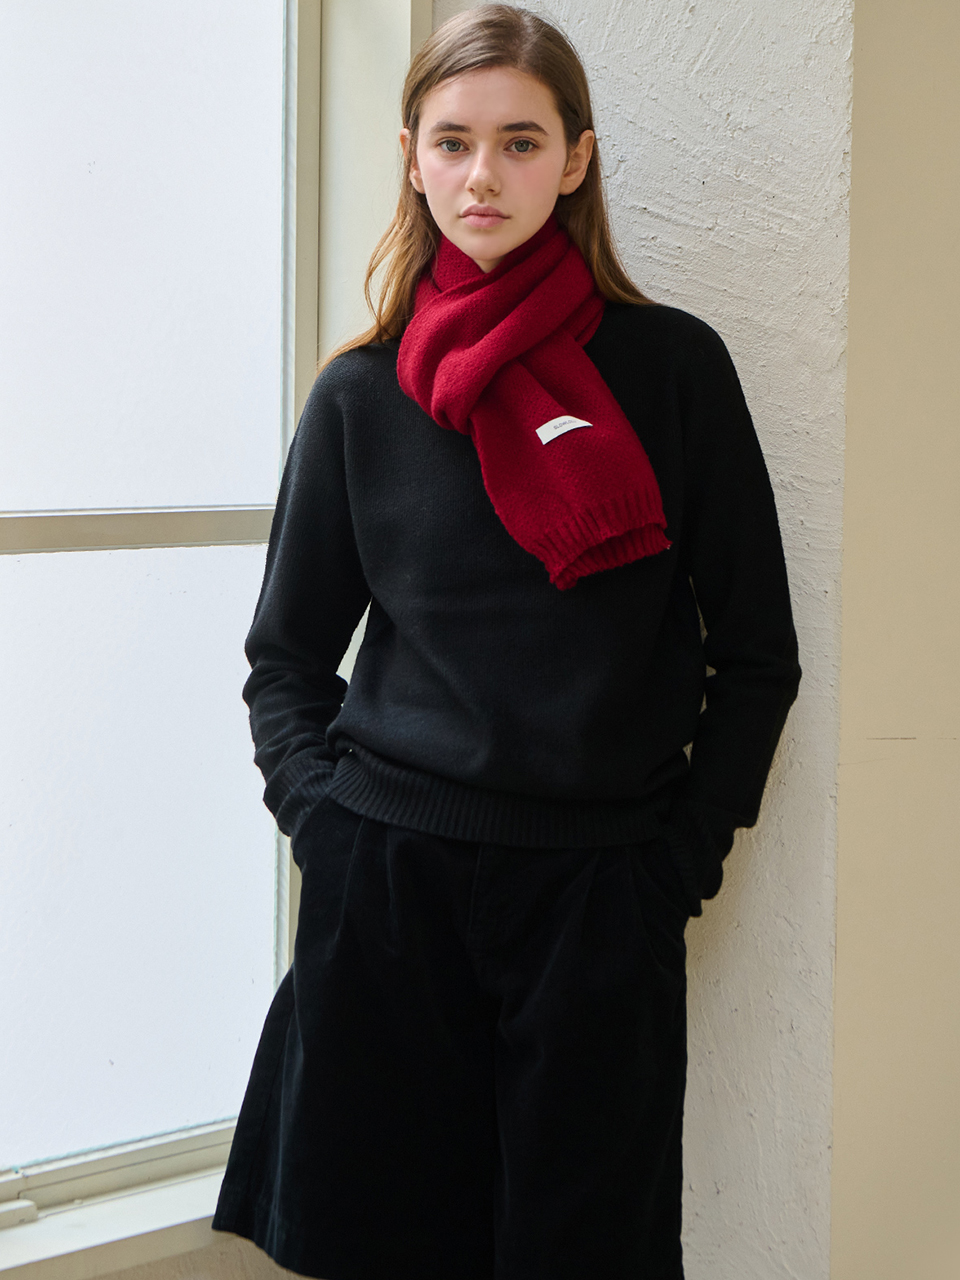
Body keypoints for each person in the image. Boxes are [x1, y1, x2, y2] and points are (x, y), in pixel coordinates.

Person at [211, 6, 801, 1279]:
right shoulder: (361, 395)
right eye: (454, 141)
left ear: (575, 159)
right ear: (413, 158)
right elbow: (287, 659)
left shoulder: (676, 370)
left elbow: (757, 653)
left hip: (598, 902)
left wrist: (671, 868)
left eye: (521, 142)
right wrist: (327, 827)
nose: (484, 175)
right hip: (386, 895)